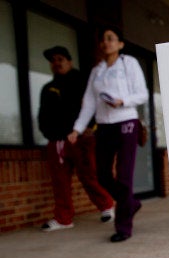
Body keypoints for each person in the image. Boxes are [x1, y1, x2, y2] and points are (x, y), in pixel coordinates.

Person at [68, 27, 148, 242]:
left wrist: (124, 101)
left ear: (120, 44)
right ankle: (131, 203)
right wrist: (77, 128)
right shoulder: (97, 70)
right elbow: (89, 103)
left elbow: (142, 94)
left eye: (111, 39)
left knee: (124, 176)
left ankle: (123, 227)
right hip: (104, 126)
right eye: (103, 40)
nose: (106, 43)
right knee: (102, 174)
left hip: (126, 123)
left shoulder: (128, 63)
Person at [38, 46, 115, 231]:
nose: (56, 63)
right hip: (56, 141)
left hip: (81, 139)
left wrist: (92, 127)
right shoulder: (48, 88)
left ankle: (106, 206)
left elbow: (97, 105)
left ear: (69, 61)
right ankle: (64, 219)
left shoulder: (82, 82)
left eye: (60, 59)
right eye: (53, 60)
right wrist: (48, 133)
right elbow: (43, 115)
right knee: (60, 182)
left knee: (89, 175)